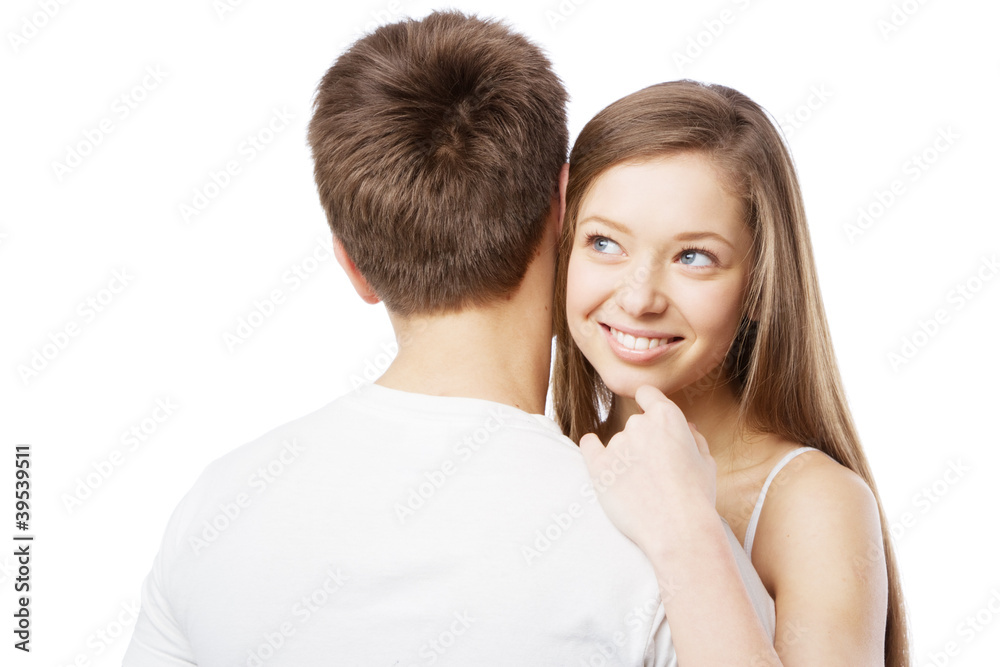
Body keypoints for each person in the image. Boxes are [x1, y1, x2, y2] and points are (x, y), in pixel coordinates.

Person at [123, 14, 773, 666]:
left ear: (353, 266)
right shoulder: (667, 543)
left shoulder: (215, 509)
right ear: (564, 203)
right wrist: (692, 537)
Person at [552, 80, 909, 665]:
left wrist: (688, 529)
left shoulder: (813, 505)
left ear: (757, 286)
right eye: (604, 242)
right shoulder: (545, 463)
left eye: (694, 257)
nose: (639, 297)